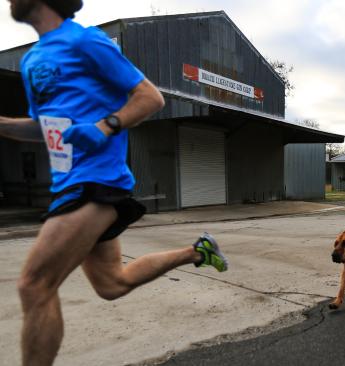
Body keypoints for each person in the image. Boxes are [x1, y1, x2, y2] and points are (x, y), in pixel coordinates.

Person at [0, 1, 228, 365]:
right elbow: (43, 128)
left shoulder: (85, 42)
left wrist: (105, 127)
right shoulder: (31, 61)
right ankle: (198, 250)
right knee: (112, 284)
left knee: (34, 285)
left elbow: (150, 97)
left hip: (95, 181)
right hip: (69, 184)